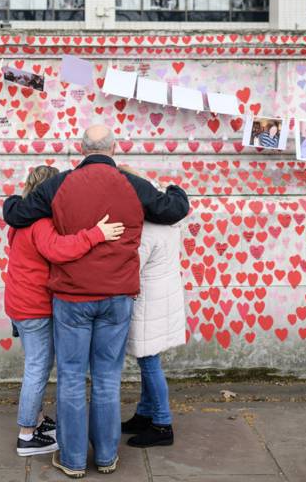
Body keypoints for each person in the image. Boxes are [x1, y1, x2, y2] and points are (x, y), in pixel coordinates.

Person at [3, 125, 189, 478]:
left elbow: (17, 214)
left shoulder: (59, 185)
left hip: (72, 298)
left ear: (81, 148)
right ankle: (106, 457)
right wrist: (176, 189)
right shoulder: (132, 185)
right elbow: (171, 209)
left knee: (72, 378)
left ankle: (72, 461)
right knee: (107, 378)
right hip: (117, 297)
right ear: (114, 148)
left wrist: (12, 201)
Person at [5, 165, 125, 457]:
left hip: (19, 302)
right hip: (34, 307)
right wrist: (96, 234)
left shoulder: (20, 219)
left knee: (37, 365)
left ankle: (35, 421)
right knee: (38, 367)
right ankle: (26, 436)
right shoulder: (40, 222)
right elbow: (60, 250)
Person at [118, 166, 185, 449]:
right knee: (150, 359)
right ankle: (144, 415)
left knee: (149, 362)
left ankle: (162, 424)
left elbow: (131, 268)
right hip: (164, 299)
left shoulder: (144, 232)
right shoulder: (168, 222)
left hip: (149, 304)